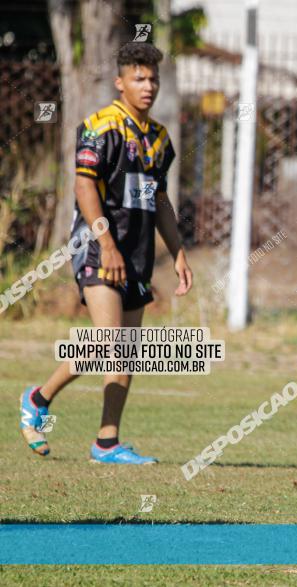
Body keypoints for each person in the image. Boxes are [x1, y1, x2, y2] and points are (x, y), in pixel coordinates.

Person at [18, 41, 193, 464]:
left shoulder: (159, 138)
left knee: (127, 348)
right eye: (139, 78)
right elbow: (83, 187)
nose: (148, 86)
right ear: (120, 82)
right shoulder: (101, 126)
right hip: (97, 248)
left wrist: (180, 251)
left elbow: (160, 198)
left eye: (152, 78)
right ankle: (38, 399)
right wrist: (106, 243)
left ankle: (107, 442)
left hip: (137, 254)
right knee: (108, 341)